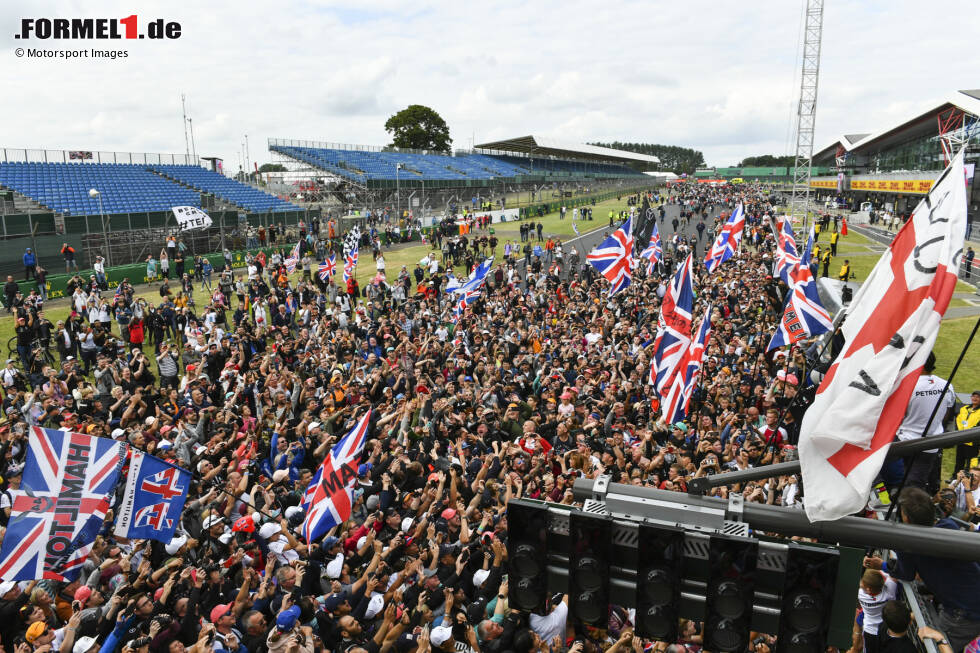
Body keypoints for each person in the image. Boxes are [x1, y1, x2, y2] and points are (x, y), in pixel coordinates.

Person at [874, 487, 980, 653]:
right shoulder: (948, 525)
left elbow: (906, 574)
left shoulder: (910, 545)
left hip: (963, 612)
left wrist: (884, 565)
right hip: (970, 601)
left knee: (938, 647)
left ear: (906, 519)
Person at [894, 352, 955, 494]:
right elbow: (948, 412)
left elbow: (896, 415)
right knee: (915, 486)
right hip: (931, 445)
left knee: (893, 480)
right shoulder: (946, 385)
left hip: (904, 443)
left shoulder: (907, 386)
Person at [954, 391, 980, 470]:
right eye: (973, 396)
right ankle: (955, 476)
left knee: (970, 461)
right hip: (961, 439)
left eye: (977, 397)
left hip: (972, 441)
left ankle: (968, 478)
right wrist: (961, 432)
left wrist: (969, 434)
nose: (974, 398)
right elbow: (958, 420)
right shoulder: (964, 409)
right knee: (959, 460)